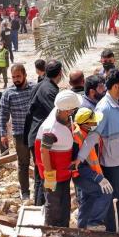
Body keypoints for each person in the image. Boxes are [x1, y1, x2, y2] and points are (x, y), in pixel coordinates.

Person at [91, 68, 119, 233]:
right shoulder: (104, 108)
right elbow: (93, 136)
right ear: (116, 86)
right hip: (111, 160)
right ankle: (114, 228)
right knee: (113, 195)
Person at [36, 89, 82, 228]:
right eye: (73, 109)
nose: (74, 111)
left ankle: (64, 231)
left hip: (64, 173)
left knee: (64, 203)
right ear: (67, 110)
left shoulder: (63, 115)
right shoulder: (50, 129)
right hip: (53, 175)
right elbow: (44, 152)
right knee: (54, 206)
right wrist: (49, 176)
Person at [25, 60, 63, 205]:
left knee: (40, 175)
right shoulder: (49, 90)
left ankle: (39, 207)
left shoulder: (41, 85)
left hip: (35, 135)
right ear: (60, 73)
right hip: (43, 138)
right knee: (46, 174)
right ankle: (45, 208)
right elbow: (55, 115)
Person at [0, 64, 36, 201]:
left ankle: (40, 191)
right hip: (19, 134)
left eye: (18, 76)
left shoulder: (34, 88)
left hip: (35, 132)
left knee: (39, 162)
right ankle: (25, 192)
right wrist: (3, 133)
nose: (16, 79)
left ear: (25, 75)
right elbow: (2, 114)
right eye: (13, 77)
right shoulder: (8, 93)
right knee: (23, 163)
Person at [71, 108, 113, 229]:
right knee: (104, 192)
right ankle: (93, 223)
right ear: (85, 124)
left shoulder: (85, 134)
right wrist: (98, 178)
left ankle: (82, 226)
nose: (96, 124)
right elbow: (77, 165)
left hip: (87, 174)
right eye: (93, 122)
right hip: (82, 175)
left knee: (88, 199)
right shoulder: (77, 138)